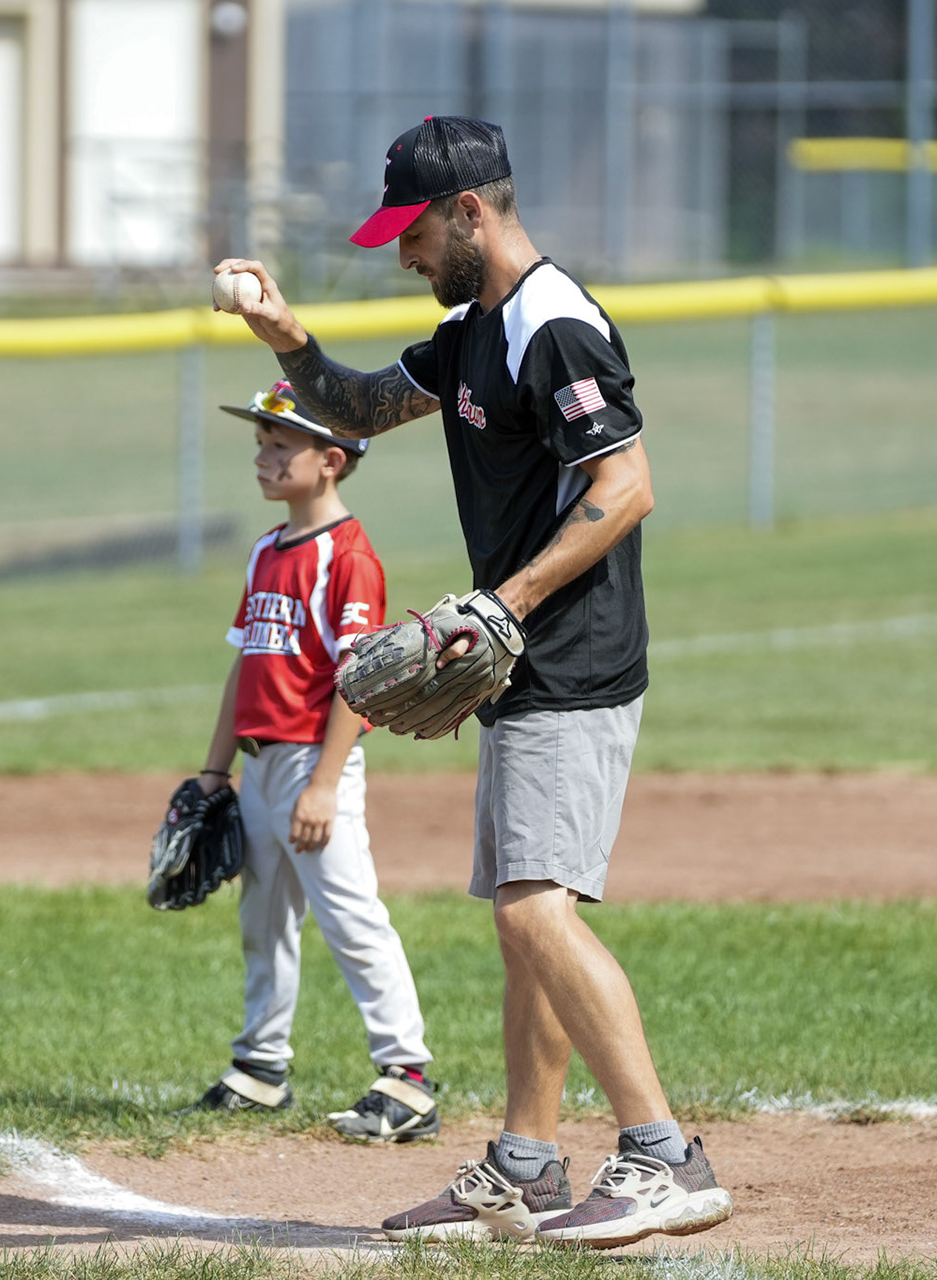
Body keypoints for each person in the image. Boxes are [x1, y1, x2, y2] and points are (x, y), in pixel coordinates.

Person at [213, 117, 732, 1248]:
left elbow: (627, 486)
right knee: (523, 922)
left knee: (535, 907)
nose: (402, 254)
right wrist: (284, 332)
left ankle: (661, 1153)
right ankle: (528, 1164)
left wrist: (512, 600)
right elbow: (356, 408)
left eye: (412, 232)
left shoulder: (555, 324)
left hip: (574, 657)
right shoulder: (471, 331)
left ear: (470, 212)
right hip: (519, 659)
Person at [187, 380, 440, 1144]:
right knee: (263, 921)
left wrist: (325, 785)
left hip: (313, 766)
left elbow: (359, 682)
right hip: (261, 765)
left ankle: (408, 1077)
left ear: (330, 460)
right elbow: (245, 664)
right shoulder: (267, 549)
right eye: (260, 444)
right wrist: (213, 772)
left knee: (351, 917)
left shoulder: (348, 557)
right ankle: (261, 1067)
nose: (263, 458)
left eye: (280, 445)